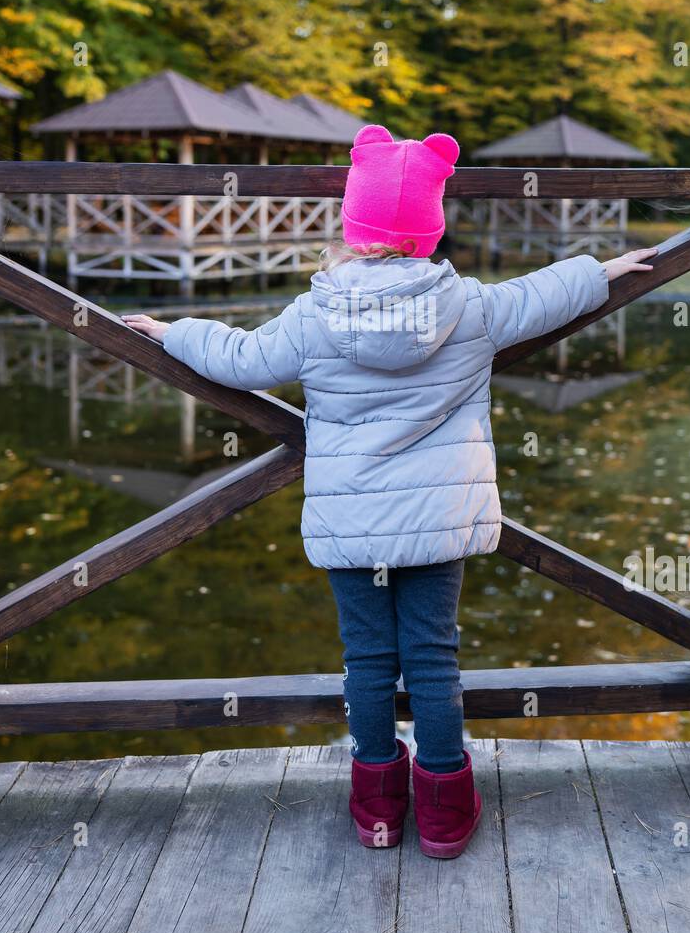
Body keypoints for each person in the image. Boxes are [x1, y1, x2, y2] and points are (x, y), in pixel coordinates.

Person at [124, 123, 655, 858]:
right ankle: (442, 811)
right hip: (440, 517)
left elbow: (241, 358)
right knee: (434, 658)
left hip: (353, 527)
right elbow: (541, 296)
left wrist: (174, 330)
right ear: (428, 233)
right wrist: (603, 268)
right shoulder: (467, 306)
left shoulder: (315, 314)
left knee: (366, 662)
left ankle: (377, 806)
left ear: (353, 223)